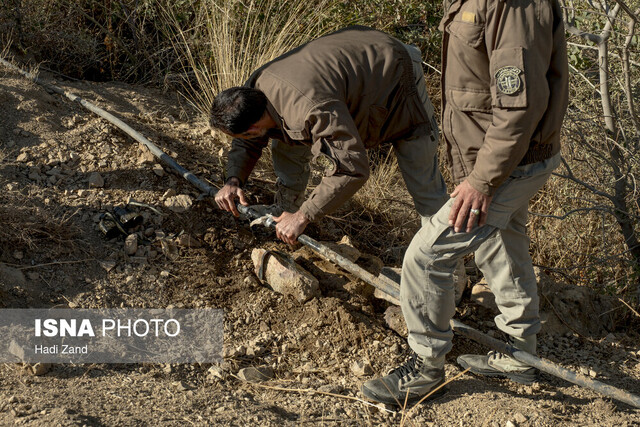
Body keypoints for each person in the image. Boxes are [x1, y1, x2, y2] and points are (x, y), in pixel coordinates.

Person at [362, 0, 569, 406]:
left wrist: (481, 180)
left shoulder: (513, 6)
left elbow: (519, 107)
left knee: (426, 257)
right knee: (502, 240)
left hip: (508, 164)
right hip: (497, 160)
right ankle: (520, 352)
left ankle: (424, 370)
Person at [210, 26, 448, 245]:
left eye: (241, 135)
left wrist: (305, 215)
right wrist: (234, 180)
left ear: (252, 129)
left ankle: (445, 262)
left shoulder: (313, 110)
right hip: (356, 65)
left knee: (422, 177)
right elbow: (248, 143)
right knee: (285, 143)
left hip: (395, 69)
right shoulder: (254, 90)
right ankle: (285, 209)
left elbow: (351, 168)